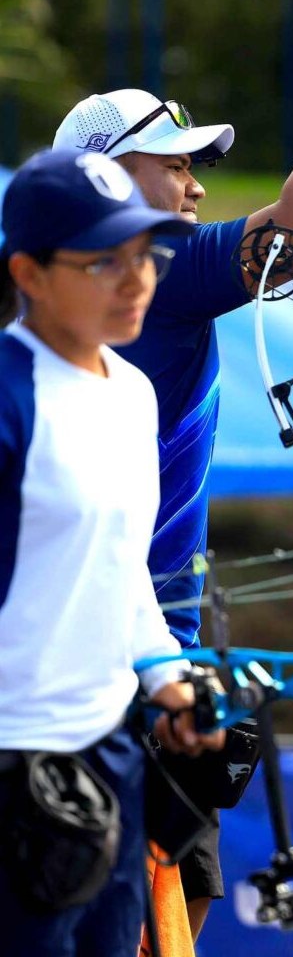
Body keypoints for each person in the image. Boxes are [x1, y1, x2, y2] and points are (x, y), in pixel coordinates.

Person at [50, 0, 293, 937]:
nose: (196, 183)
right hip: (98, 659)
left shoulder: (90, 275)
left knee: (171, 878)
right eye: (175, 164)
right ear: (108, 182)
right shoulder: (153, 265)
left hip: (158, 638)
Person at [0, 148, 225, 957]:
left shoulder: (134, 393)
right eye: (104, 261)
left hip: (111, 756)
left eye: (145, 253)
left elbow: (122, 567)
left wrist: (167, 677)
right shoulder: (7, 398)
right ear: (28, 272)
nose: (136, 278)